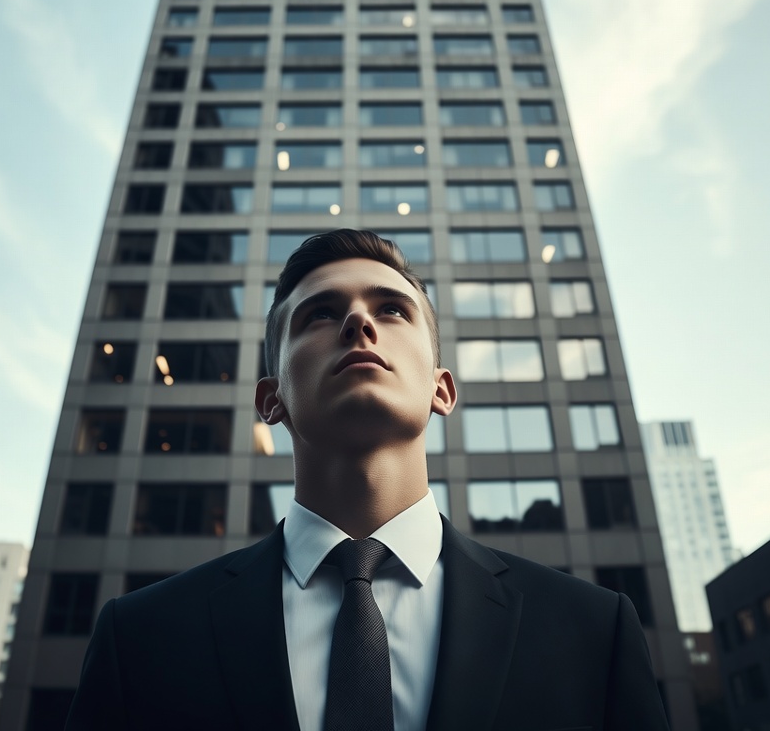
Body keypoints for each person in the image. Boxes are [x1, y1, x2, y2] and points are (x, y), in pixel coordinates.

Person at [65, 229, 670, 730]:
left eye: (392, 309)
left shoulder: (594, 633)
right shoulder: (140, 639)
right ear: (271, 399)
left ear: (442, 389)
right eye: (321, 314)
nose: (358, 321)